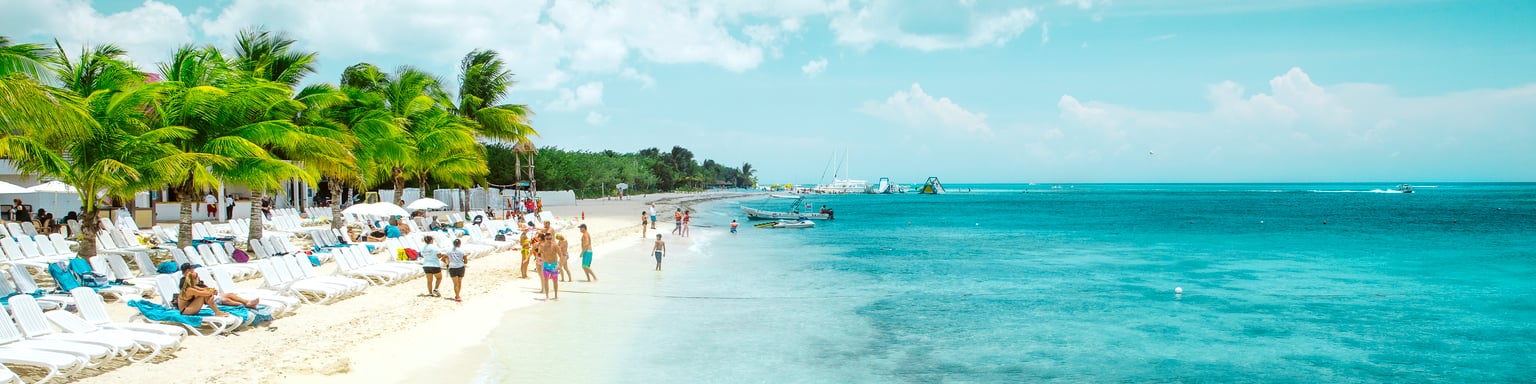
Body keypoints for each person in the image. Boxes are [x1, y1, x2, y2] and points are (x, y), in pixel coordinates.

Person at [177, 263, 258, 316]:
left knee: (210, 295)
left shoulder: (192, 286)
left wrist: (211, 290)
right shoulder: (188, 288)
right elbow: (203, 293)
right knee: (205, 296)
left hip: (190, 307)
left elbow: (202, 289)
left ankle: (218, 312)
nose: (197, 280)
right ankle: (218, 312)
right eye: (196, 278)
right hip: (186, 311)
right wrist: (210, 292)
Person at [537, 233, 560, 300]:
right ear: (545, 239)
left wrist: (559, 265)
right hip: (546, 265)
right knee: (546, 281)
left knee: (555, 281)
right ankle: (547, 296)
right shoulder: (541, 246)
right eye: (547, 239)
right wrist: (539, 264)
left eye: (550, 239)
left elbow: (561, 255)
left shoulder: (555, 246)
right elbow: (539, 255)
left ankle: (556, 296)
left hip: (554, 265)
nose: (549, 240)